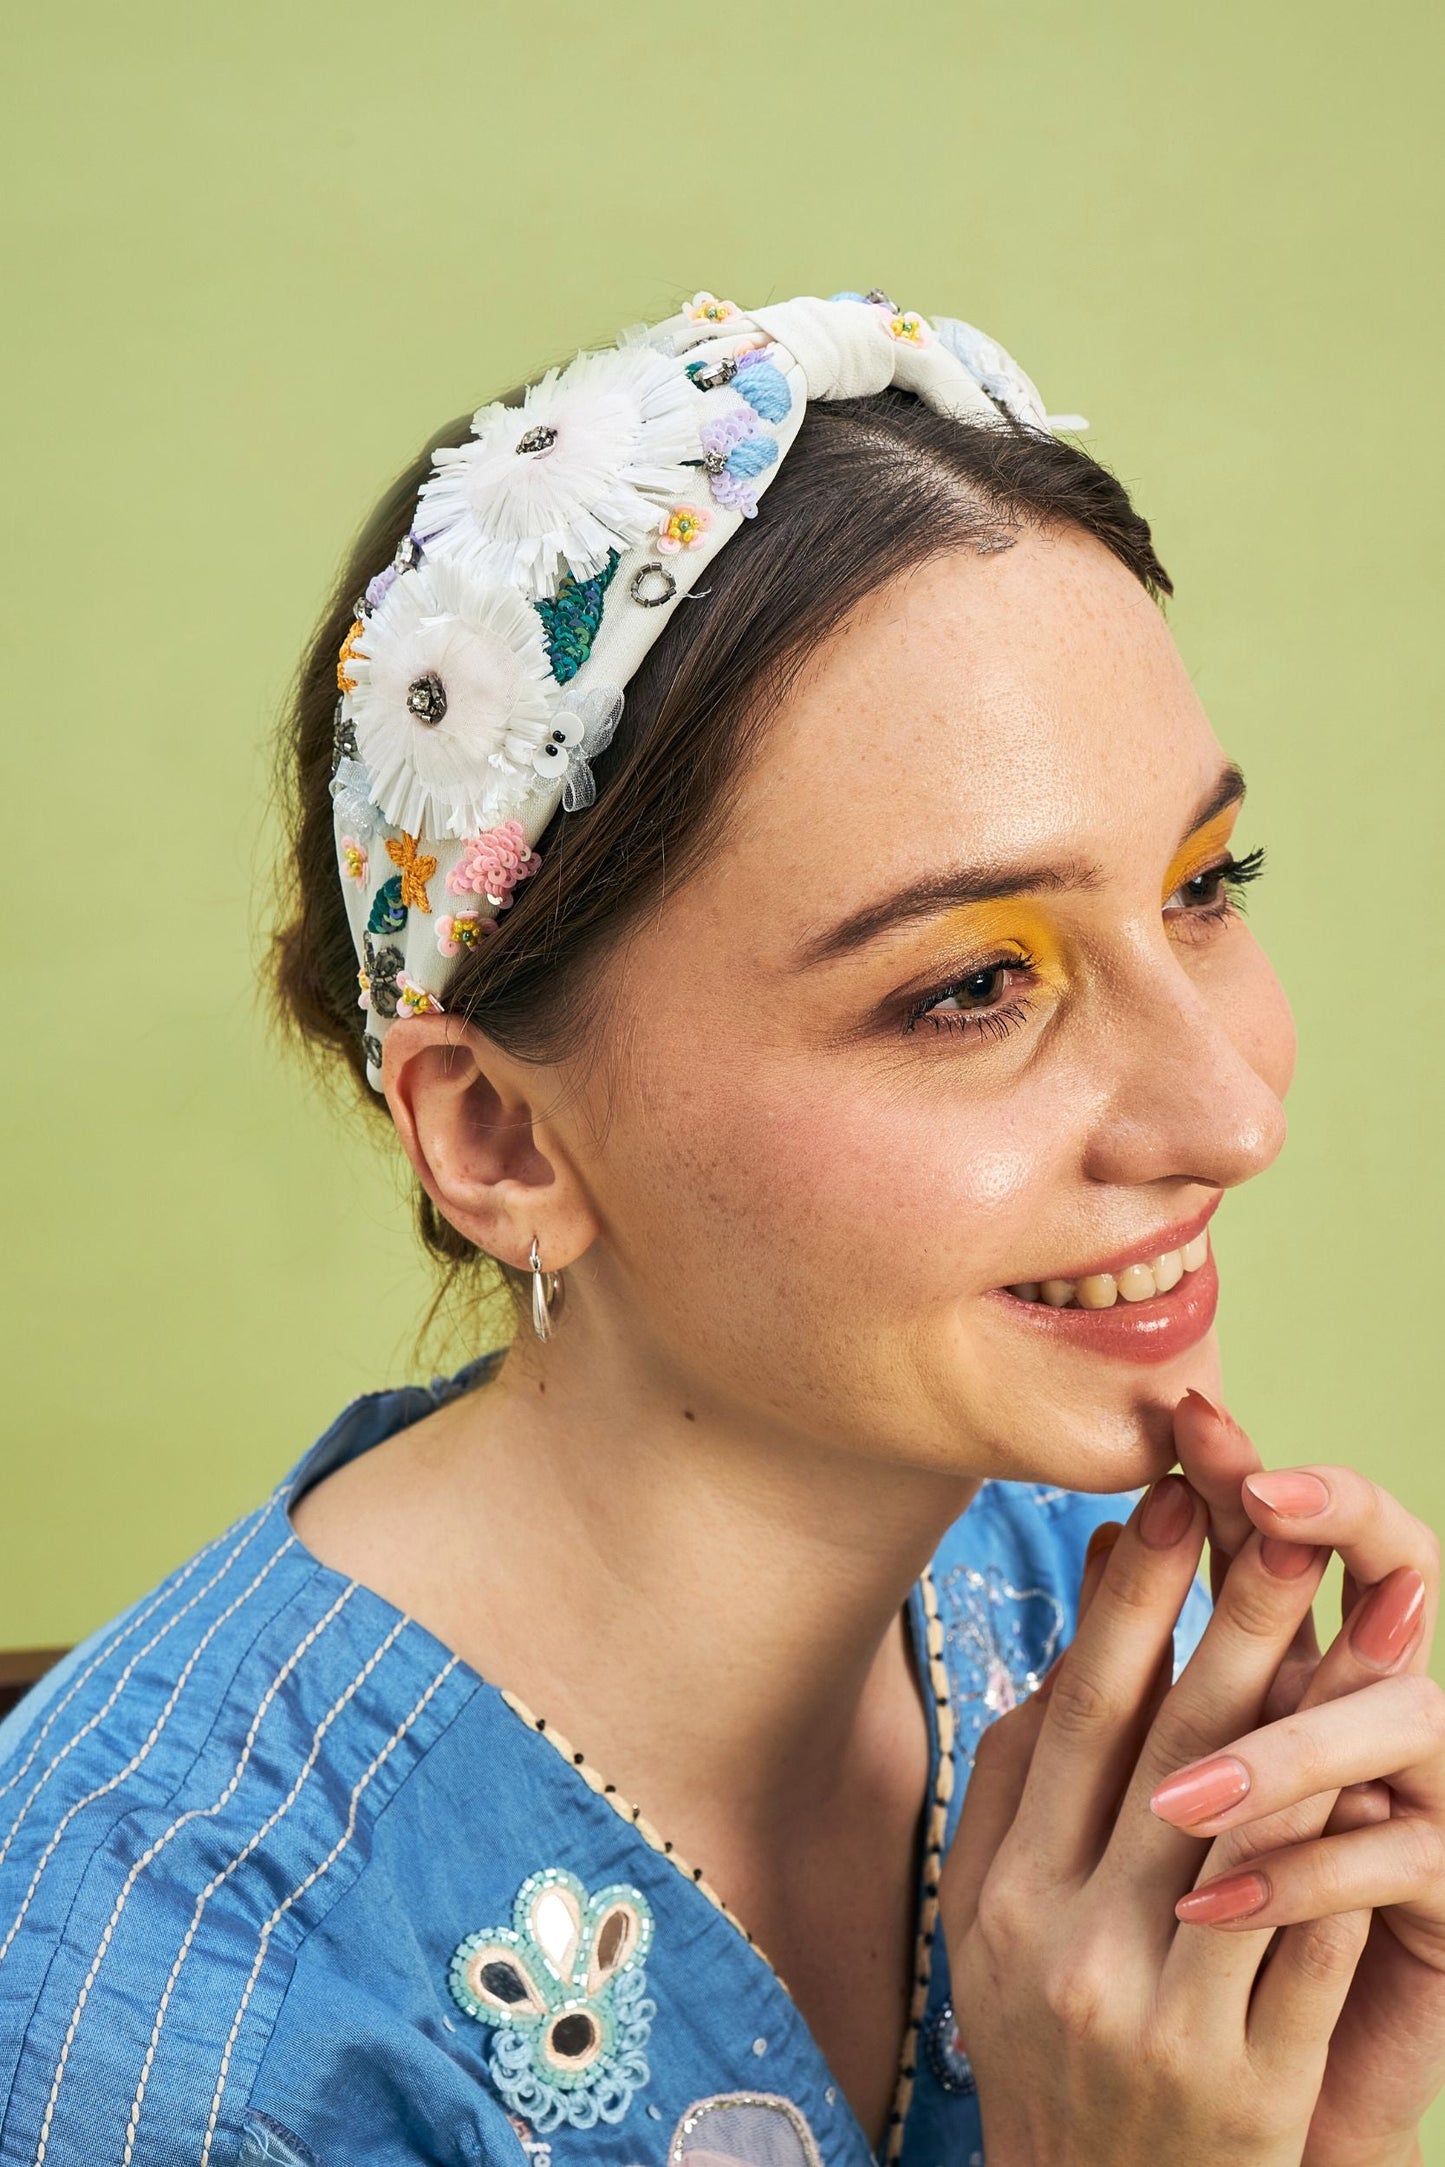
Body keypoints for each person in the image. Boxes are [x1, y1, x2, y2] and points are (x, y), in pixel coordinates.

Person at [1, 289, 1440, 2167]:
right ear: (503, 1135)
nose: (1229, 1114)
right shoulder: (170, 2026)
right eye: (967, 990)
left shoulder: (1076, 1604)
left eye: (1200, 888)